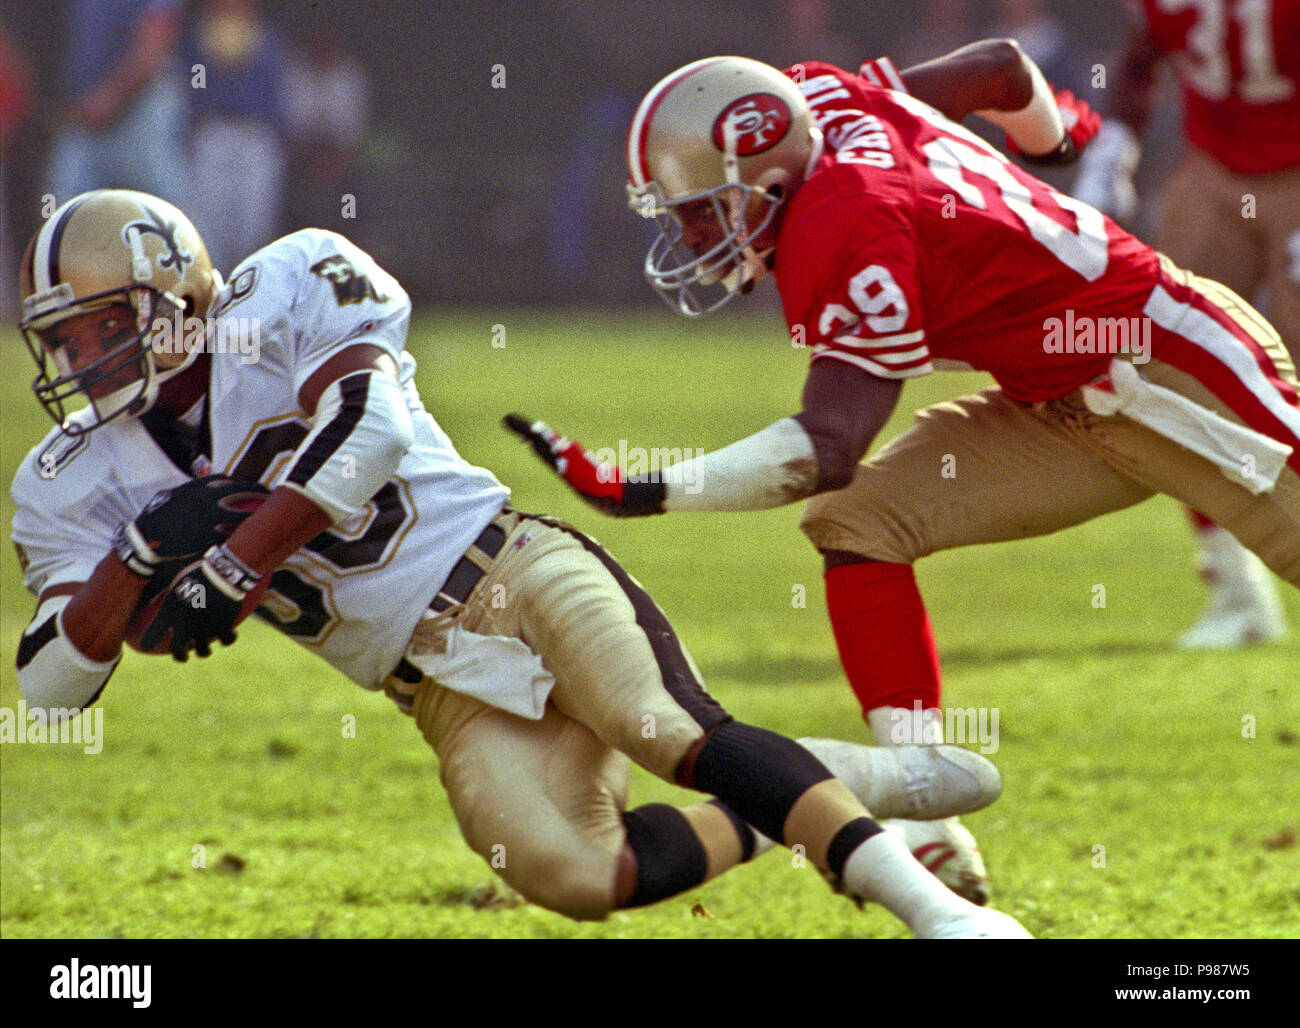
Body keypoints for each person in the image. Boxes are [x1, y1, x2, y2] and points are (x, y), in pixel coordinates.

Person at [10, 188, 1027, 938]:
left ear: (180, 292)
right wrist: (139, 555)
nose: (87, 360)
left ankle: (931, 909)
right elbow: (51, 682)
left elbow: (369, 434)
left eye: (107, 325)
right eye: (66, 342)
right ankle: (835, 778)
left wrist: (230, 563)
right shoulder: (75, 473)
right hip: (434, 686)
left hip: (509, 569)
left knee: (663, 727)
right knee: (580, 874)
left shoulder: (282, 286)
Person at [505, 41, 1300, 907]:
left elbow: (826, 446)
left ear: (766, 181)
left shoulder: (846, 217)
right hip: (1056, 403)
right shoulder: (813, 103)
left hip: (1172, 376)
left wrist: (648, 486)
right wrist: (1053, 141)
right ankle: (924, 808)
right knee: (858, 523)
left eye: (702, 211)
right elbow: (997, 68)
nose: (692, 234)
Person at [1072, 0, 1300, 648]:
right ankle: (1236, 590)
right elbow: (1140, 61)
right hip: (1214, 169)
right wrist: (1111, 151)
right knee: (1162, 364)